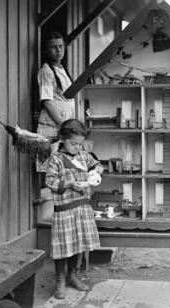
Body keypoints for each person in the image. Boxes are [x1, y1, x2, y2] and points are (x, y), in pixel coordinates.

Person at [46, 119, 103, 299]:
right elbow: (50, 181)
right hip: (64, 209)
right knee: (63, 246)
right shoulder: (56, 159)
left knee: (77, 243)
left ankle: (73, 275)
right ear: (63, 138)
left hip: (82, 208)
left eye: (80, 144)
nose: (77, 147)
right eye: (73, 143)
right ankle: (60, 279)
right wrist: (70, 183)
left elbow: (97, 165)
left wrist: (96, 172)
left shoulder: (84, 155)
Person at [36, 32, 76, 172]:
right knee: (53, 168)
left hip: (66, 123)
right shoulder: (46, 71)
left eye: (60, 46)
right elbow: (47, 101)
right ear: (47, 50)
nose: (58, 50)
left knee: (67, 168)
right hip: (53, 124)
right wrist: (63, 124)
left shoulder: (62, 69)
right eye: (54, 47)